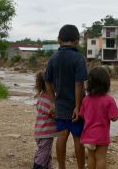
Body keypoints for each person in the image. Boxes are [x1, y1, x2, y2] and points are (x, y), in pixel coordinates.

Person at [44, 24, 88, 169]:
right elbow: (79, 83)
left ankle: (61, 166)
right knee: (78, 138)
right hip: (77, 107)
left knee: (62, 136)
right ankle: (81, 166)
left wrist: (53, 102)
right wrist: (77, 106)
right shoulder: (79, 58)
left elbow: (47, 81)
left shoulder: (53, 58)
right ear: (77, 41)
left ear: (59, 40)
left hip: (60, 106)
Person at [79, 67, 118, 169]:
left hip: (88, 134)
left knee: (91, 157)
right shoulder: (109, 100)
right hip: (101, 135)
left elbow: (82, 115)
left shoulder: (86, 100)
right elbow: (114, 117)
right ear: (106, 83)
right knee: (101, 158)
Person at [33, 71, 57, 169]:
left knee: (45, 153)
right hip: (45, 133)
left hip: (40, 132)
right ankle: (37, 167)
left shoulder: (41, 97)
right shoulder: (49, 100)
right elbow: (53, 114)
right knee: (43, 154)